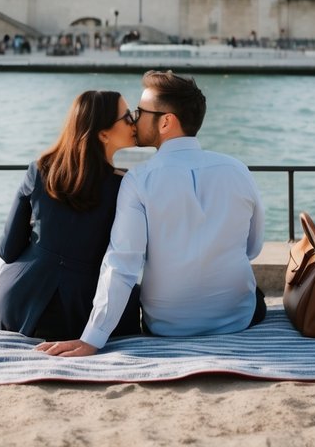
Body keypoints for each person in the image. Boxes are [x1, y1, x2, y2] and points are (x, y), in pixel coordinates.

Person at [37, 69, 266, 358]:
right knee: (254, 295)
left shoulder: (138, 179)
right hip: (237, 318)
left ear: (166, 122)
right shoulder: (238, 170)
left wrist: (92, 338)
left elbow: (122, 263)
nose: (134, 119)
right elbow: (253, 247)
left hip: (168, 324)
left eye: (140, 111)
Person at [0, 90, 141, 338]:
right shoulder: (124, 186)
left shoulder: (40, 170)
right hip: (85, 315)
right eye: (127, 117)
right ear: (103, 134)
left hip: (20, 308)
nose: (134, 121)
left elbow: (7, 250)